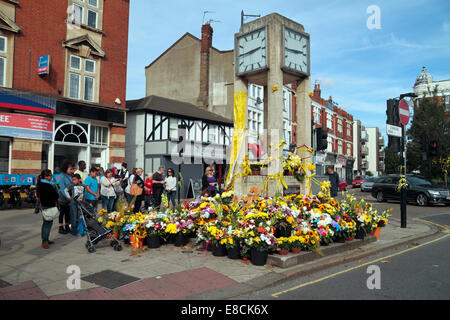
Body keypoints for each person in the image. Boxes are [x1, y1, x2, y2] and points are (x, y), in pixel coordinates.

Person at [36, 169, 59, 249]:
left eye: (50, 175)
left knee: (48, 223)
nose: (50, 177)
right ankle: (44, 241)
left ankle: (46, 239)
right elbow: (56, 195)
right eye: (48, 176)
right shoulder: (49, 185)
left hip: (46, 205)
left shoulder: (40, 183)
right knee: (47, 224)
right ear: (44, 176)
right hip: (47, 206)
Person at [57, 160, 74, 235]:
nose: (72, 171)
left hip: (70, 198)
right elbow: (63, 189)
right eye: (70, 169)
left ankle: (67, 226)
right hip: (63, 198)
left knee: (67, 213)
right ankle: (60, 227)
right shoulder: (62, 177)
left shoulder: (70, 176)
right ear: (65, 168)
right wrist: (68, 197)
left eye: (72, 169)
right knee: (62, 213)